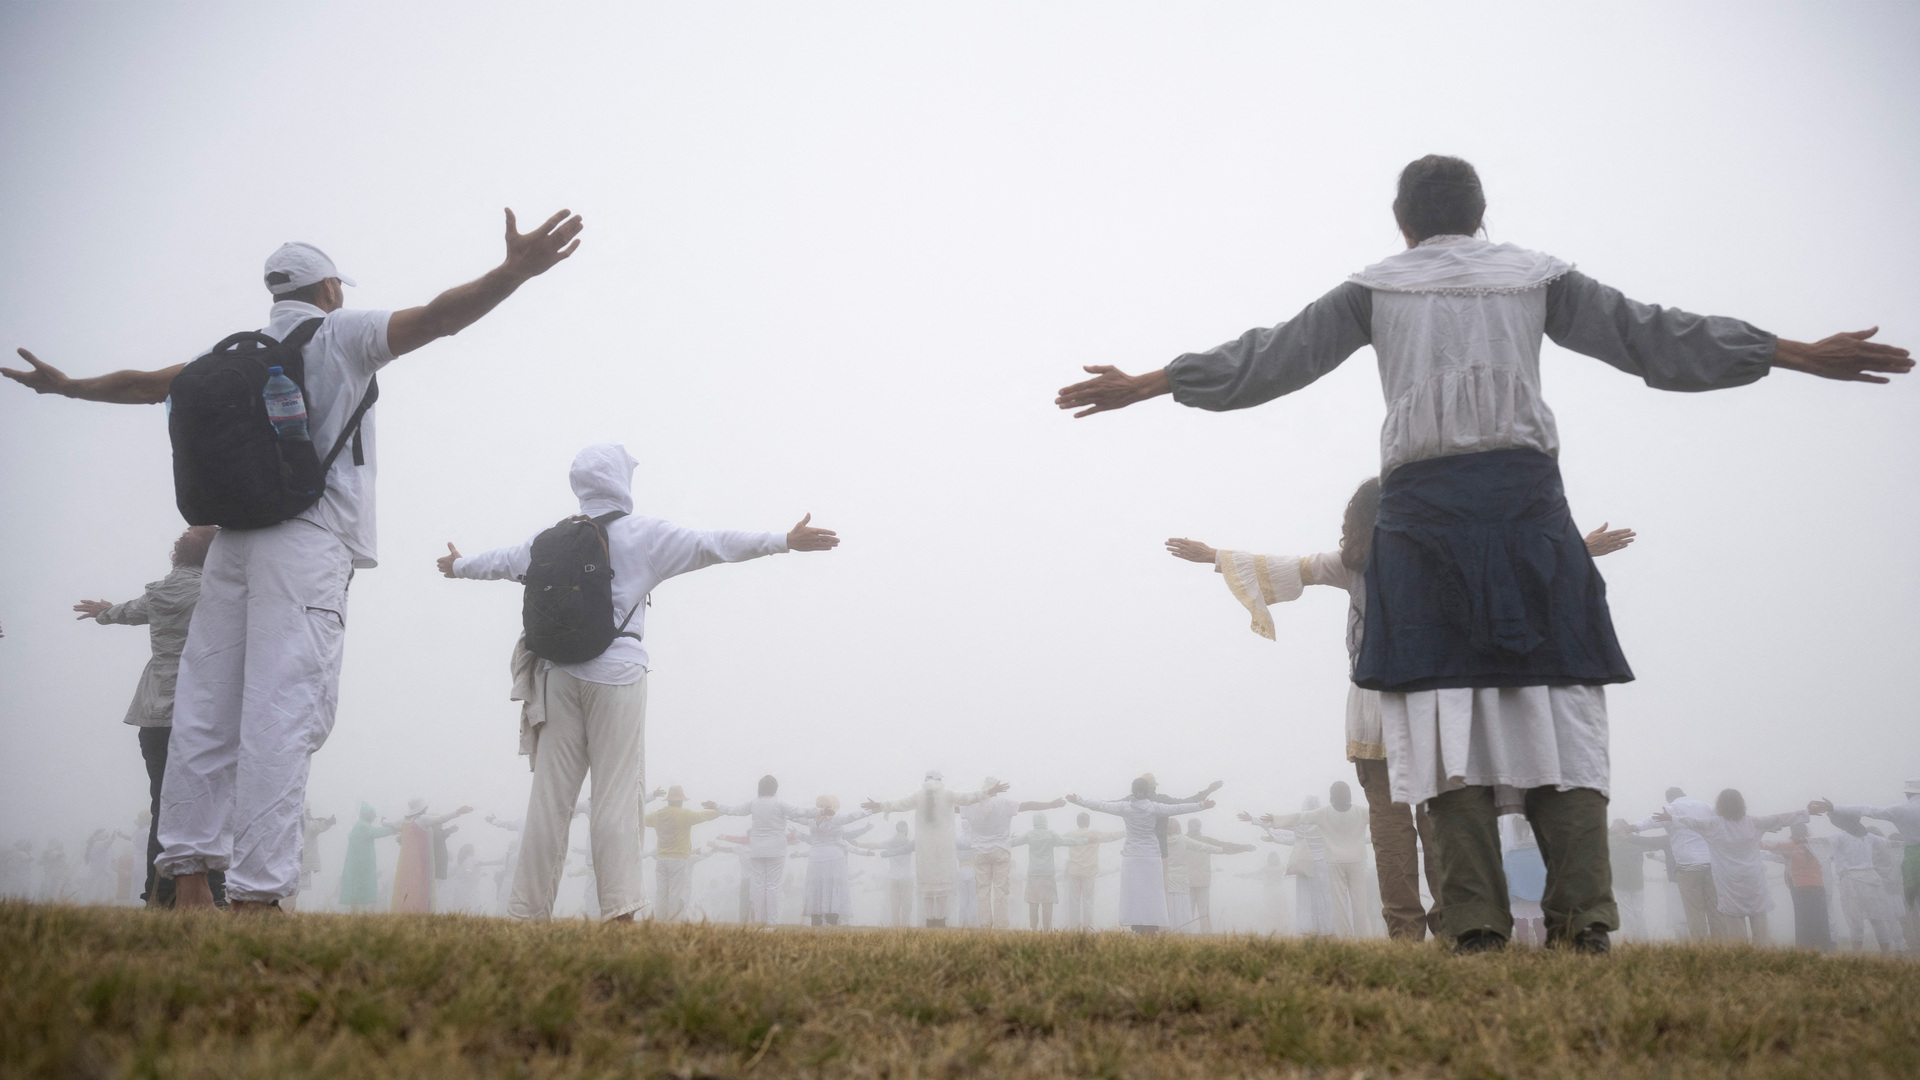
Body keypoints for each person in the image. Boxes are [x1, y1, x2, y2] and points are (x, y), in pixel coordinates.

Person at [1056, 155, 1911, 954]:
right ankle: (1583, 924)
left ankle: (1472, 926)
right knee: (1557, 702)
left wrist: (1153, 381)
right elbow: (1655, 335)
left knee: (1436, 712)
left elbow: (1270, 358)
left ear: (1402, 225)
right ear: (1483, 216)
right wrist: (1791, 352)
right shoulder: (1536, 276)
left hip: (1424, 514)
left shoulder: (1380, 287)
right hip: (1525, 508)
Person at [4, 210, 588, 912]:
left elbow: (143, 384)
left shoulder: (232, 354)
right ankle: (258, 893)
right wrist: (511, 274)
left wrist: (66, 387)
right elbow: (438, 318)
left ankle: (188, 882)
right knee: (283, 712)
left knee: (206, 710)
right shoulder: (340, 334)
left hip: (233, 542)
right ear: (329, 289)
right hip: (307, 541)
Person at [1171, 487, 1633, 942]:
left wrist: (1213, 555)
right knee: (1441, 822)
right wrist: (1582, 547)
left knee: (1391, 830)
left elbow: (1288, 567)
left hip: (1375, 709)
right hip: (1431, 707)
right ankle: (1456, 924)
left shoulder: (1353, 563)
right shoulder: (1445, 557)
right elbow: (1512, 570)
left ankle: (1406, 932)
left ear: (1357, 521)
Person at [442, 444, 838, 922]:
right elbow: (712, 544)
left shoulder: (548, 540)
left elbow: (501, 562)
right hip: (617, 673)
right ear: (620, 482)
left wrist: (459, 566)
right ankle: (619, 910)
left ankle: (527, 913)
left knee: (549, 798)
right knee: (616, 792)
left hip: (553, 675)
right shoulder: (643, 534)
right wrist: (782, 539)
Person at [72, 525, 224, 909]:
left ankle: (159, 894)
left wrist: (104, 612)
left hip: (153, 715)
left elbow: (127, 612)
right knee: (207, 806)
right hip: (197, 711)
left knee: (162, 806)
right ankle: (213, 894)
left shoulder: (158, 593)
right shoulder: (217, 591)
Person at [1658, 789, 1807, 946]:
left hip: (1729, 884)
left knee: (1735, 930)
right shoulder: (1754, 823)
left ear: (1719, 807)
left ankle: (1739, 961)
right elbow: (1781, 818)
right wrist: (1807, 811)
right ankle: (1763, 959)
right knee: (1760, 926)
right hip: (1753, 882)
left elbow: (1692, 821)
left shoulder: (1713, 825)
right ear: (1742, 805)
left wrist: (1672, 818)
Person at [1066, 779, 1214, 935]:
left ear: (1132, 790)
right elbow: (1177, 808)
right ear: (1148, 791)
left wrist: (1078, 800)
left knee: (1134, 893)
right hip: (1151, 854)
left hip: (1132, 855)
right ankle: (1152, 926)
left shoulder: (1125, 807)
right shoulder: (1154, 807)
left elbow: (1101, 805)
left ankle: (1137, 925)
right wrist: (1201, 805)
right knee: (1152, 893)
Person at [863, 773, 1006, 927]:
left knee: (928, 886)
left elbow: (900, 804)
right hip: (944, 847)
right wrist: (989, 791)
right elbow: (969, 797)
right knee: (943, 886)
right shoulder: (948, 794)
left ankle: (930, 918)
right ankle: (941, 918)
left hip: (925, 848)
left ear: (926, 781)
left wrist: (879, 804)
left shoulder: (919, 796)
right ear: (940, 781)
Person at [1258, 782, 1372, 938]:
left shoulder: (1320, 817)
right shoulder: (1353, 813)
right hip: (1343, 863)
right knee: (1354, 903)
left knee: (1337, 903)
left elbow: (1297, 822)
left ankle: (1343, 937)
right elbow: (1376, 825)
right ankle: (1359, 938)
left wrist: (1270, 822)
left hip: (1326, 865)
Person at [706, 777, 822, 925]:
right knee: (773, 887)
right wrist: (822, 811)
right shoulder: (780, 803)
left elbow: (734, 810)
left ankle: (759, 922)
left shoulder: (754, 803)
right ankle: (771, 923)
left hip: (757, 849)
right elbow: (801, 811)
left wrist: (716, 805)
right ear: (775, 788)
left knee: (759, 887)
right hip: (776, 849)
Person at [1813, 783, 1920, 941]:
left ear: (1907, 794)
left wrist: (1834, 807)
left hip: (1912, 857)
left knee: (1911, 900)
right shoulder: (1871, 837)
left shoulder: (1902, 809)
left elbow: (1868, 810)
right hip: (1884, 872)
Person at [959, 779, 1065, 929]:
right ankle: (1001, 925)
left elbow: (955, 808)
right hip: (1000, 851)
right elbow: (1027, 805)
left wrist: (933, 802)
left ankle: (984, 925)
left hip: (979, 853)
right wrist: (1050, 804)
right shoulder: (1003, 803)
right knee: (1000, 889)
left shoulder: (972, 806)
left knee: (982, 890)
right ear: (996, 789)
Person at [1633, 788, 1729, 941]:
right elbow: (1724, 820)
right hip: (1711, 865)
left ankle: (1701, 948)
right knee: (1716, 909)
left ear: (1668, 799)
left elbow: (1652, 820)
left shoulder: (1671, 808)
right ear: (1684, 794)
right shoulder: (1706, 807)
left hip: (1688, 867)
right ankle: (1722, 946)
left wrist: (1634, 827)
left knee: (1695, 911)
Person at [1820, 811, 1906, 953]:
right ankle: (1886, 954)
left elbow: (1821, 843)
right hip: (1873, 882)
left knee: (1855, 921)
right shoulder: (1869, 837)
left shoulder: (1841, 836)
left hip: (1851, 882)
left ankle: (1857, 955)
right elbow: (1892, 845)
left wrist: (1801, 841)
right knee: (1878, 920)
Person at [646, 786, 721, 922]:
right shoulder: (685, 814)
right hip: (679, 860)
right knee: (675, 894)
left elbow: (640, 819)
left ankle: (658, 923)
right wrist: (720, 811)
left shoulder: (657, 815)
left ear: (668, 800)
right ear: (681, 801)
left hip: (661, 859)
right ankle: (674, 923)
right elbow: (703, 816)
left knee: (661, 894)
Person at [799, 795, 875, 927]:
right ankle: (831, 922)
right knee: (832, 890)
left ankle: (816, 922)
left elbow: (794, 815)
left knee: (816, 890)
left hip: (815, 860)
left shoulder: (811, 820)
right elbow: (853, 816)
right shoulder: (836, 819)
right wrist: (872, 810)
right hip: (833, 860)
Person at [1010, 813, 1089, 931]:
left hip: (1033, 873)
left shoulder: (1030, 835)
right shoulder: (1050, 835)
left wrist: (1010, 839)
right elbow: (1067, 841)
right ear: (1045, 822)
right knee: (1048, 902)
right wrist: (1085, 840)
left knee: (1033, 902)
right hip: (1047, 873)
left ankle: (1034, 928)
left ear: (1034, 822)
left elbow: (1014, 842)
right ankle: (1047, 929)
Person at [1761, 822, 1833, 951]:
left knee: (1803, 920)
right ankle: (1825, 948)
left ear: (1792, 832)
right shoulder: (1816, 844)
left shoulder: (1789, 845)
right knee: (1820, 919)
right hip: (1818, 886)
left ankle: (1804, 949)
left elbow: (1766, 846)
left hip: (1799, 887)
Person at [1181, 818, 1254, 934]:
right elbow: (1224, 846)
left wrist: (1243, 848)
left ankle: (1189, 933)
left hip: (1192, 881)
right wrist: (1244, 848)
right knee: (1200, 910)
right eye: (1193, 825)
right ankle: (1201, 933)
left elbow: (1224, 846)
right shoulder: (1194, 840)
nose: (1194, 827)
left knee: (1192, 910)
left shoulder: (1183, 840)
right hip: (1196, 880)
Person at [1607, 818, 1667, 943]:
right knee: (1639, 912)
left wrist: (1610, 831)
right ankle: (1643, 940)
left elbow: (1598, 840)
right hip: (1637, 883)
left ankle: (1633, 940)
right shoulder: (1635, 842)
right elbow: (1652, 845)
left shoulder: (1611, 842)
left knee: (1627, 912)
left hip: (1620, 884)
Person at [1062, 812, 1124, 929]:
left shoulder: (1071, 834)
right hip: (1089, 872)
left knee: (1073, 902)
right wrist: (1127, 832)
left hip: (1074, 871)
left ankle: (1073, 928)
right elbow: (1112, 836)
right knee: (1088, 902)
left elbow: (1058, 839)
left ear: (1077, 822)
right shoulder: (1095, 834)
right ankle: (1088, 928)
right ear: (1088, 822)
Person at [854, 821, 917, 927]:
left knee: (895, 908)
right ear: (906, 830)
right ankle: (906, 928)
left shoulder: (890, 843)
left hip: (893, 879)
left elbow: (874, 845)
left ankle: (896, 929)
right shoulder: (909, 843)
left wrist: (858, 844)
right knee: (907, 908)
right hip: (906, 879)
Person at [338, 802, 396, 912]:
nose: (375, 816)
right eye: (373, 814)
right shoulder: (363, 826)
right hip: (361, 864)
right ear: (367, 814)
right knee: (362, 890)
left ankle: (358, 911)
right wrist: (393, 829)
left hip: (360, 863)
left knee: (359, 889)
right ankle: (360, 913)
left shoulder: (360, 825)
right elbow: (377, 832)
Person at [289, 804, 337, 912]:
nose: (310, 813)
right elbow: (316, 827)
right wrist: (328, 822)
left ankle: (287, 912)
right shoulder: (306, 823)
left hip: (297, 862)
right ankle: (288, 912)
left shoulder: (297, 821)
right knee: (294, 891)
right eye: (308, 810)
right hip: (303, 863)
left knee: (293, 891)